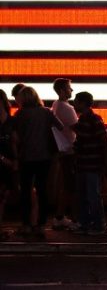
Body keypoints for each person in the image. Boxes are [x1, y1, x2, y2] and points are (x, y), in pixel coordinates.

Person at [14, 86, 64, 237]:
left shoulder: (20, 114)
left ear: (22, 99)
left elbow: (16, 136)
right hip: (44, 157)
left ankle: (27, 224)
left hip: (26, 156)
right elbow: (60, 127)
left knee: (25, 191)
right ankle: (41, 225)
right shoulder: (46, 112)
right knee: (42, 190)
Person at [71, 91, 107, 236]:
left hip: (89, 164)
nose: (74, 103)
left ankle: (95, 224)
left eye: (76, 101)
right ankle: (93, 224)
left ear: (82, 103)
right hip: (89, 164)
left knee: (90, 196)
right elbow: (104, 142)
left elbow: (104, 142)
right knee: (89, 195)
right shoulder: (90, 119)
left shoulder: (92, 119)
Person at [51, 78, 78, 231]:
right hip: (71, 151)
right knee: (72, 186)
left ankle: (60, 216)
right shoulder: (67, 108)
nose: (71, 90)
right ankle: (75, 219)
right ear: (62, 91)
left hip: (62, 150)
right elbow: (77, 128)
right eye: (69, 88)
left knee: (66, 185)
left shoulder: (55, 105)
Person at [0, 90, 17, 241]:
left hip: (7, 162)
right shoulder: (10, 121)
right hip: (6, 162)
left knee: (3, 195)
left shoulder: (10, 121)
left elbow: (14, 142)